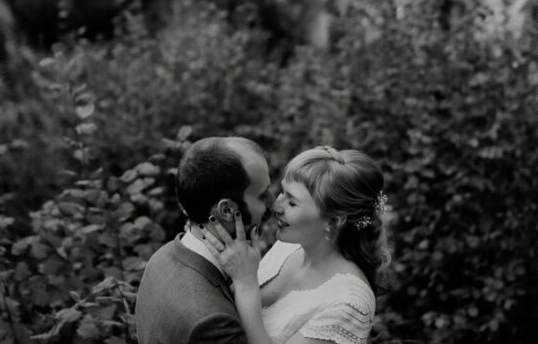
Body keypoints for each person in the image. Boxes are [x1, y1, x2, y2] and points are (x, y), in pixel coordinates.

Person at [200, 146, 391, 344]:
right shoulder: (289, 247)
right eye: (283, 192)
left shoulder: (349, 303)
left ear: (333, 221)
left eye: (292, 203)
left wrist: (245, 283)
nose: (275, 206)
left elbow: (245, 290)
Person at [135, 136, 275, 344]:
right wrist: (246, 284)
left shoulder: (161, 258)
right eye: (262, 196)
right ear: (227, 210)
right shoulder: (212, 323)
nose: (274, 201)